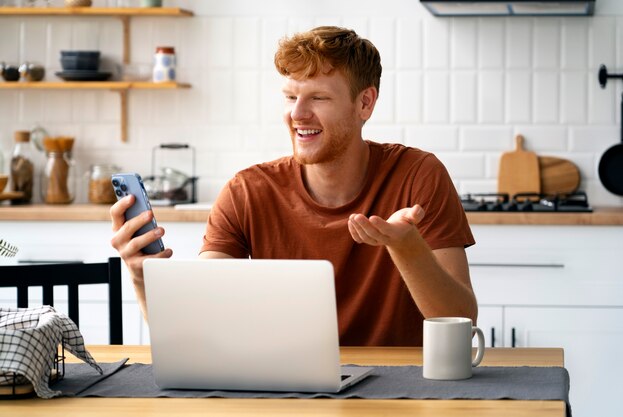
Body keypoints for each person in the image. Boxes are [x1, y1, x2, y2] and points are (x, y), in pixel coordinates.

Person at [110, 26, 477, 346]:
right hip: (287, 393)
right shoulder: (246, 193)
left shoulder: (418, 175)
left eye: (318, 97)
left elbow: (463, 322)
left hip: (403, 393)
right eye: (290, 96)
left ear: (365, 103)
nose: (297, 114)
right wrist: (143, 279)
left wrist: (408, 248)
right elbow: (192, 336)